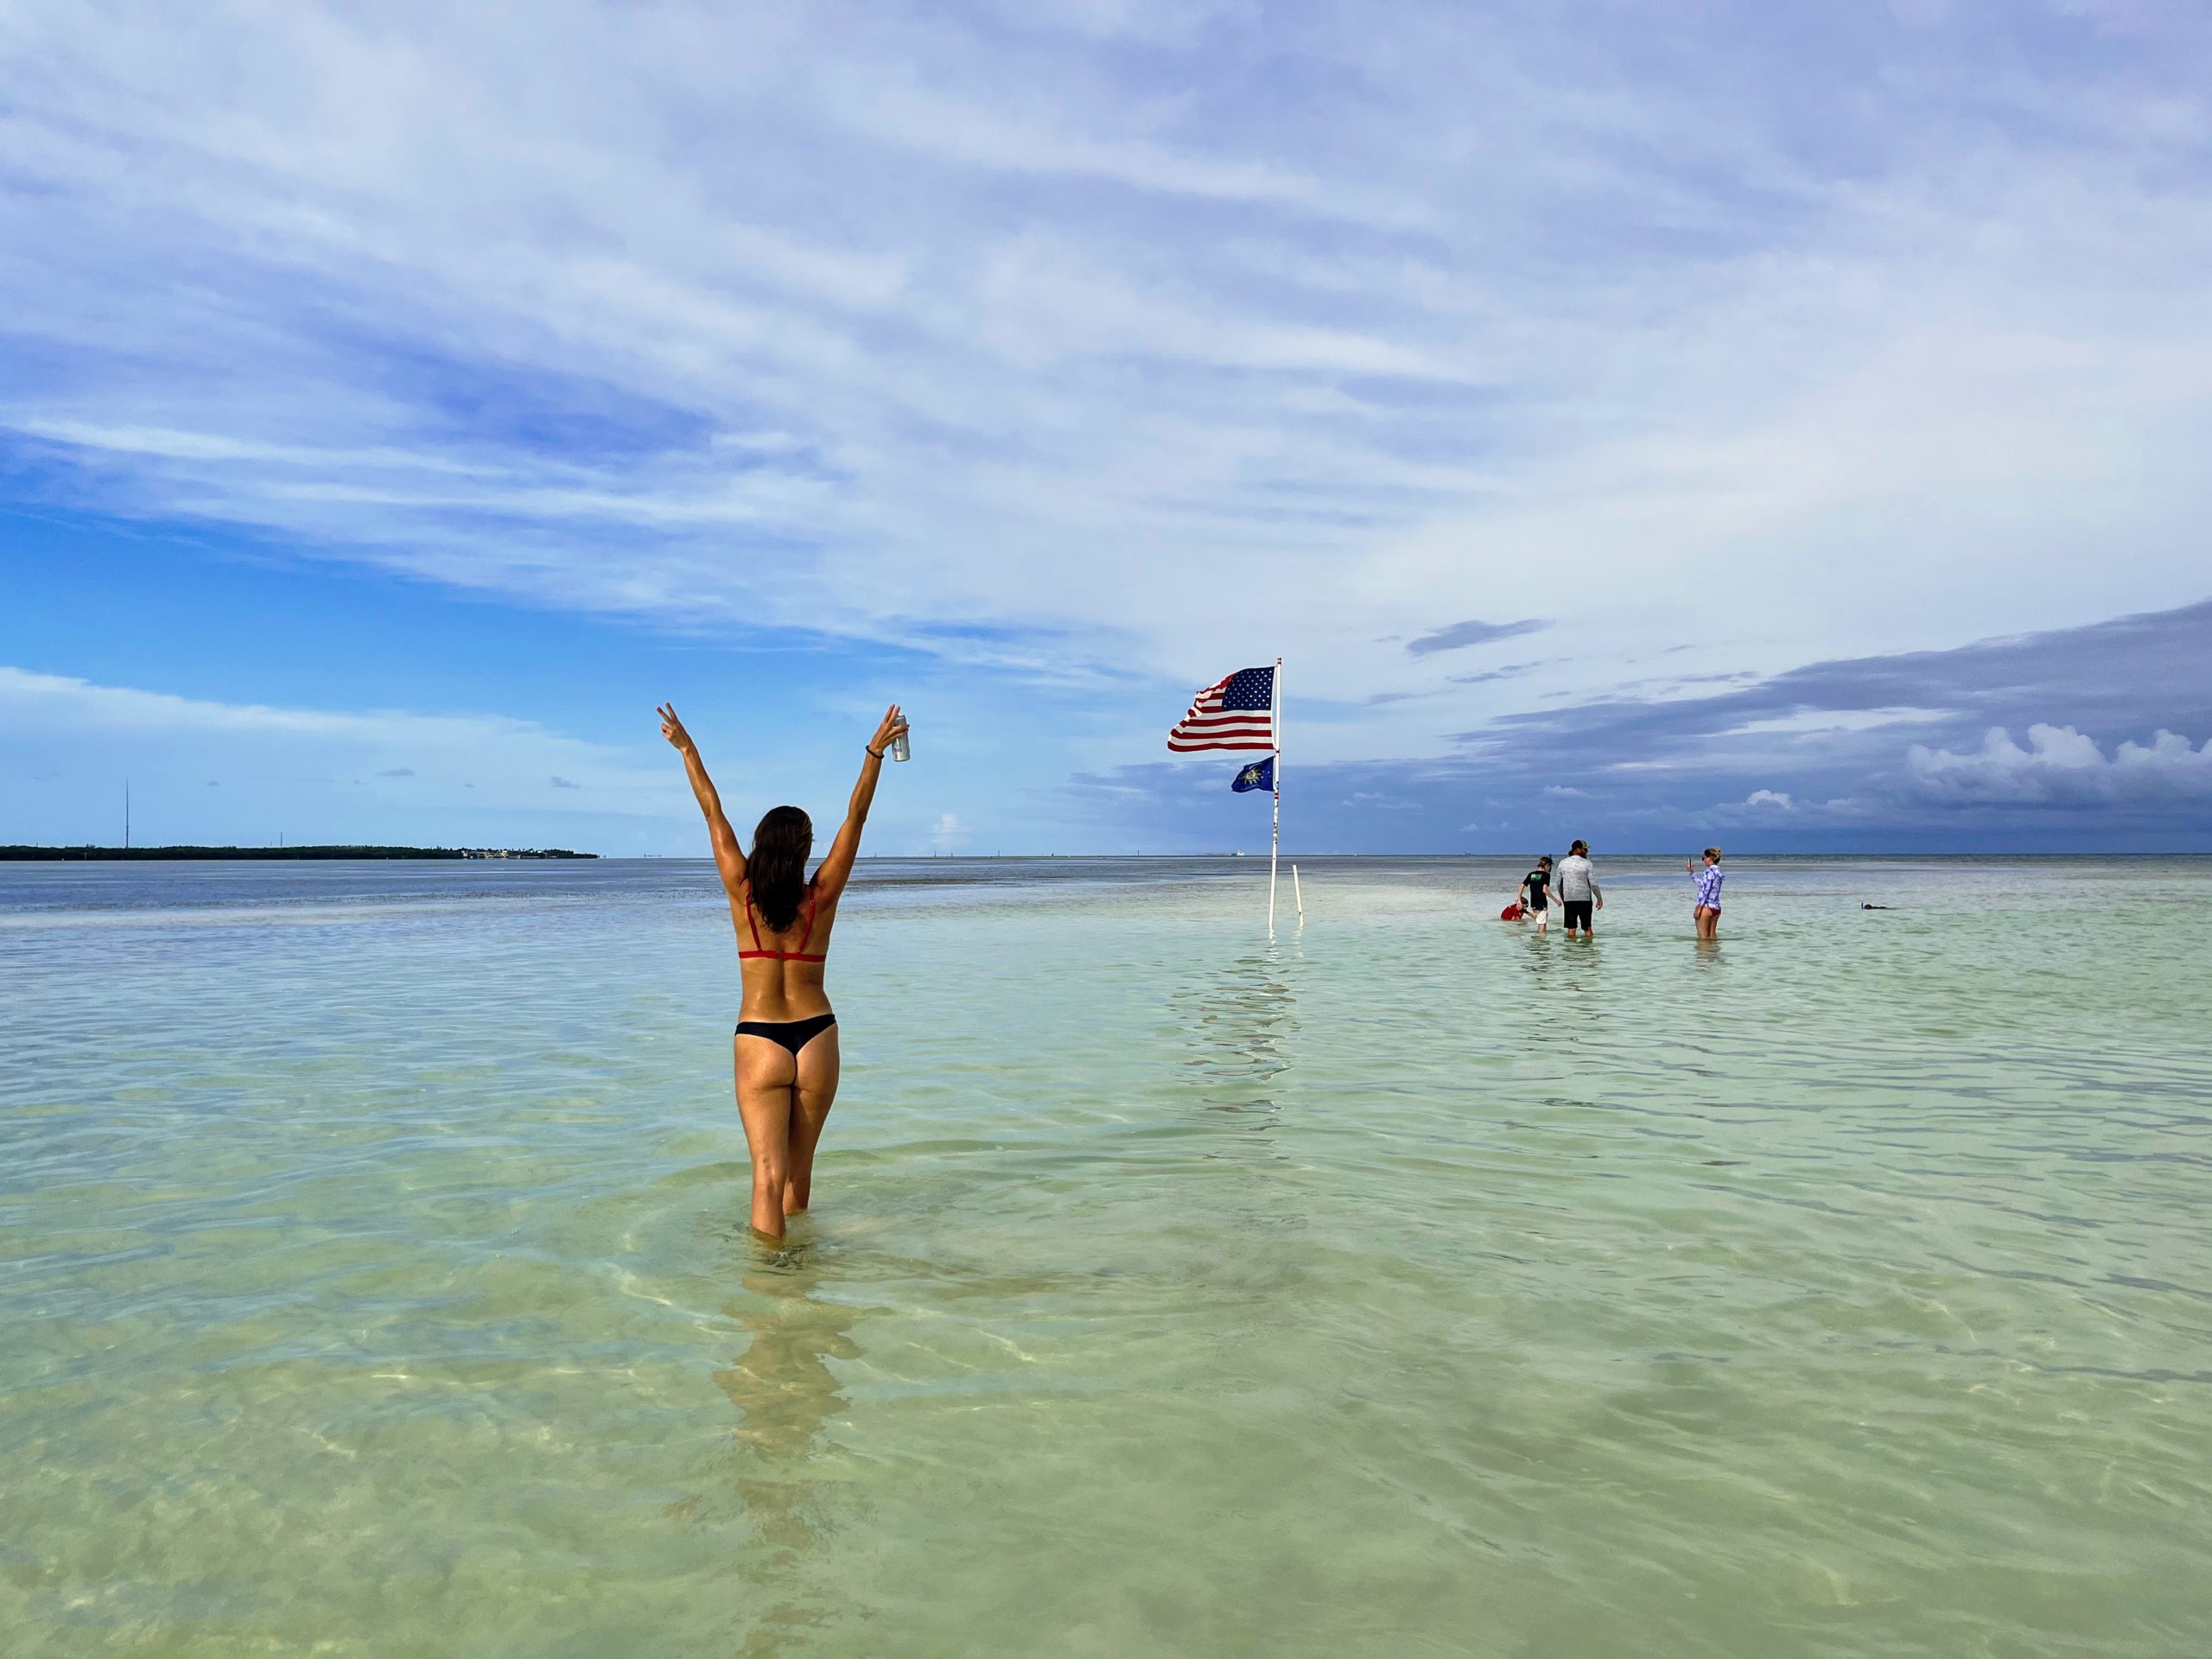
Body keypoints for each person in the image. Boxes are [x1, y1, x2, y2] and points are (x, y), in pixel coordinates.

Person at [659, 698, 908, 1241]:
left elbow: (711, 812)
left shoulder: (741, 892)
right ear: (802, 851)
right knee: (799, 1174)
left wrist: (688, 749)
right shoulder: (819, 898)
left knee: (765, 1180)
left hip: (759, 1038)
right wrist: (874, 753)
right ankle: (802, 1290)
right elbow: (857, 818)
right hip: (817, 1036)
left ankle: (769, 1293)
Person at [1554, 839, 1602, 937]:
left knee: (1571, 929)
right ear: (1578, 850)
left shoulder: (1562, 863)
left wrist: (1563, 899)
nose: (1587, 852)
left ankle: (1572, 951)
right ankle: (1588, 949)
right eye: (1585, 850)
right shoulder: (1587, 863)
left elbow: (1558, 884)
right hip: (1584, 899)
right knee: (1587, 928)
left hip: (1569, 899)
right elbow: (1593, 884)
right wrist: (1599, 899)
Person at [1688, 847, 1723, 938]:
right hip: (1717, 908)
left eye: (1704, 858)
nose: (1703, 860)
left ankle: (1704, 953)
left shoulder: (1709, 872)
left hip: (1706, 907)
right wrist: (1692, 873)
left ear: (1710, 858)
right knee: (1712, 936)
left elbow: (1706, 891)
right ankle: (1714, 953)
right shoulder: (1718, 871)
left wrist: (1699, 907)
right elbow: (1703, 885)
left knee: (1702, 938)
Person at [1520, 855, 1554, 932]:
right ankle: (1540, 942)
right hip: (1541, 902)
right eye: (1549, 867)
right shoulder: (1546, 875)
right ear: (1547, 865)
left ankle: (1539, 940)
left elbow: (1521, 886)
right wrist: (1556, 900)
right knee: (1542, 924)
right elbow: (1545, 890)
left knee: (1540, 922)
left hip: (1534, 903)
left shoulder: (1532, 875)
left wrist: (1519, 899)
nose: (1549, 869)